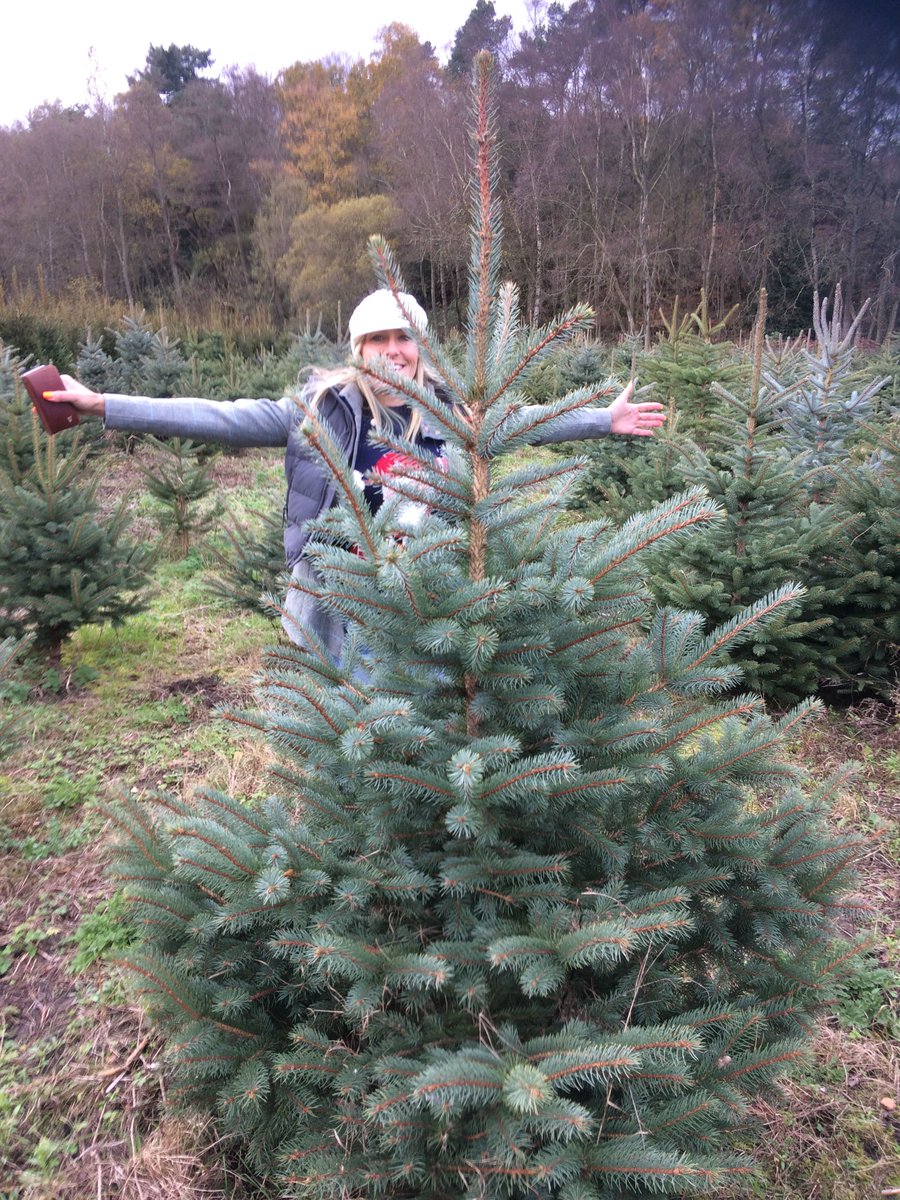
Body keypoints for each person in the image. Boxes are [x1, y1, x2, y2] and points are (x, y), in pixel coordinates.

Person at [45, 289, 666, 657]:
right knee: (326, 711)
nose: (394, 349)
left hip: (419, 593)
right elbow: (219, 417)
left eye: (405, 337)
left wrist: (599, 420)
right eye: (378, 339)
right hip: (329, 586)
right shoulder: (318, 410)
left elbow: (523, 420)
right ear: (359, 349)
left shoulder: (451, 414)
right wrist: (105, 405)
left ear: (421, 346)